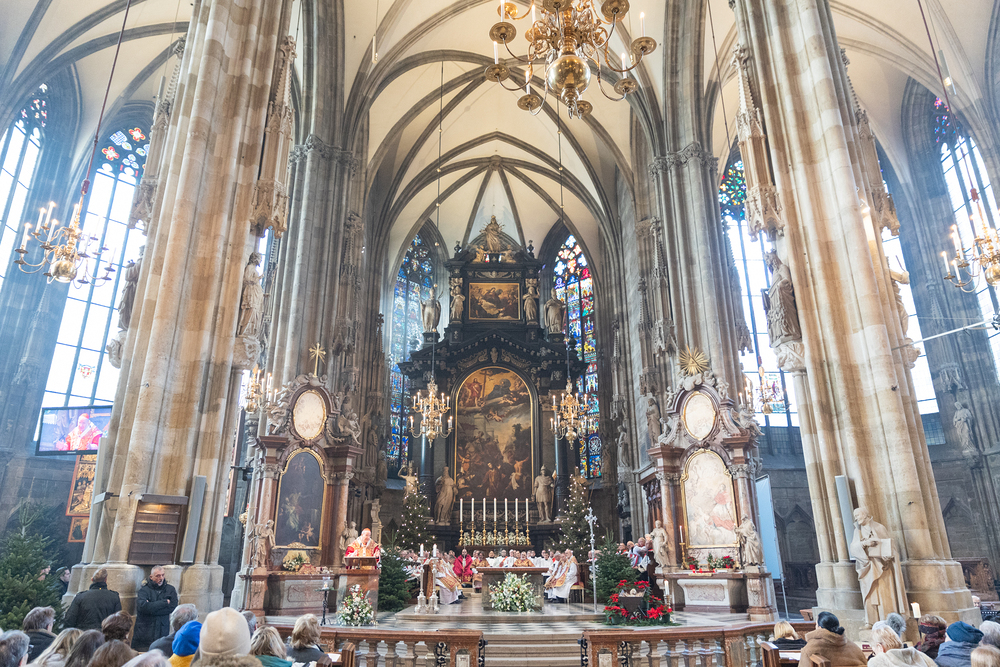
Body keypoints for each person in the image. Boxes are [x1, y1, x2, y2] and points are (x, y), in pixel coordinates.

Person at [132, 566, 177, 651]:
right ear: (151, 577)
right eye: (158, 576)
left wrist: (151, 607)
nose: (161, 578)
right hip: (145, 632)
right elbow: (143, 607)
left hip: (162, 631)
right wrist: (164, 603)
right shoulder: (144, 590)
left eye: (163, 575)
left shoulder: (170, 589)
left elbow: (172, 607)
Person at [798, 612, 867, 667]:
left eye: (816, 624)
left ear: (820, 628)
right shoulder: (855, 648)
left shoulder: (810, 649)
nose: (815, 627)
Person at [869, 625, 936, 667]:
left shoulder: (878, 661)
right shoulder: (921, 655)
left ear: (880, 647)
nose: (875, 655)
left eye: (874, 652)